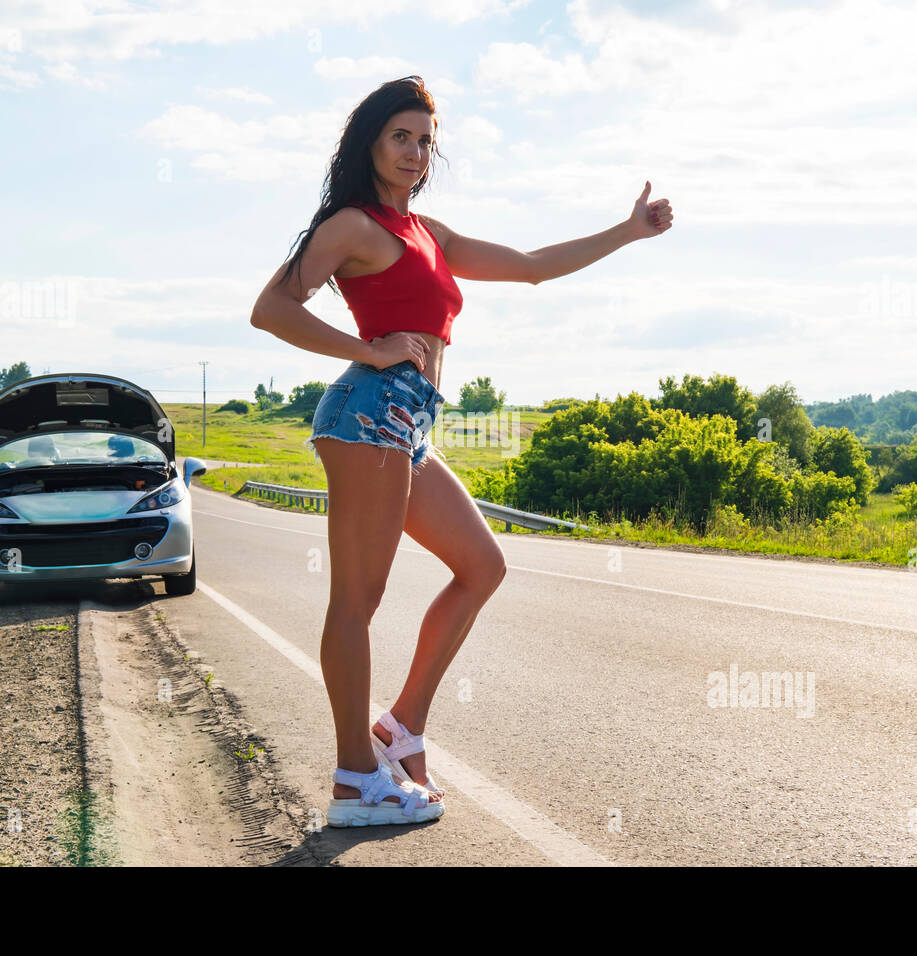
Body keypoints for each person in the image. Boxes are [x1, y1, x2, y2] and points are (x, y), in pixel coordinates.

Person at [250, 75, 672, 827]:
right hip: (368, 414)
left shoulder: (427, 233)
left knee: (483, 566)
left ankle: (401, 726)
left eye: (423, 140)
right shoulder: (351, 225)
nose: (414, 152)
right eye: (399, 137)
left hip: (410, 423)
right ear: (370, 144)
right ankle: (355, 777)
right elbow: (271, 309)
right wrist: (368, 351)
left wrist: (628, 230)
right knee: (358, 599)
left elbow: (534, 265)